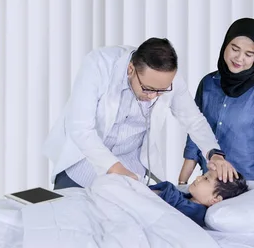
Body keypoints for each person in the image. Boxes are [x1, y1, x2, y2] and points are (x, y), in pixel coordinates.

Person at [43, 38, 237, 190]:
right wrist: (114, 168)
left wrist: (214, 153)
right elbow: (80, 128)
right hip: (84, 163)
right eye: (148, 89)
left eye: (161, 91)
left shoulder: (169, 79)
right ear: (130, 70)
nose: (153, 97)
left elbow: (193, 120)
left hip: (130, 169)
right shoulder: (99, 64)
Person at [178, 18, 254, 187]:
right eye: (234, 49)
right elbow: (195, 134)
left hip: (247, 185)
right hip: (210, 184)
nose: (239, 58)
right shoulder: (208, 83)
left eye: (248, 54)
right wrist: (182, 182)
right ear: (225, 45)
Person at [150, 170, 248, 227]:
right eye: (203, 175)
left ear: (215, 199)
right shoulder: (186, 197)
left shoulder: (194, 212)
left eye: (206, 179)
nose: (198, 177)